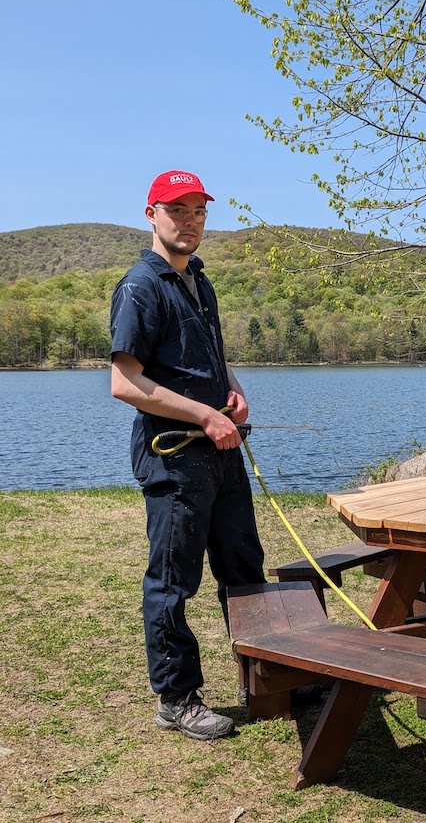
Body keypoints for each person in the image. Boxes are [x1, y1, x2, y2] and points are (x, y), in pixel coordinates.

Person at [109, 170, 266, 741]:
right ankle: (176, 698)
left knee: (244, 566)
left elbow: (213, 358)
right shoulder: (140, 286)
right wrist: (203, 415)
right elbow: (124, 383)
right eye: (177, 210)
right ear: (151, 213)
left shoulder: (200, 281)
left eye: (198, 210)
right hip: (173, 456)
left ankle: (264, 677)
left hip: (221, 453)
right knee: (174, 580)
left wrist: (234, 390)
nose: (190, 220)